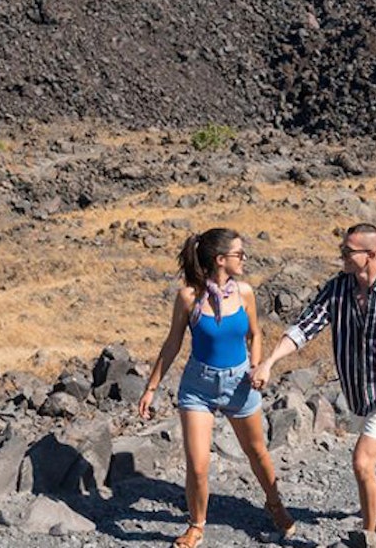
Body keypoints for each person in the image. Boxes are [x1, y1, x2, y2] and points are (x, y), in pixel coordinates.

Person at [251, 223, 376, 533]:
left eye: (347, 251)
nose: (341, 255)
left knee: (362, 462)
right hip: (356, 390)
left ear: (371, 254)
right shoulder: (337, 288)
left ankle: (368, 537)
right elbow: (305, 328)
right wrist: (269, 361)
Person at [138, 228, 295, 548]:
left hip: (240, 382)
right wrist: (151, 388)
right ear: (221, 260)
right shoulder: (188, 298)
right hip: (198, 387)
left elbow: (255, 333)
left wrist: (257, 365)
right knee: (197, 465)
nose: (245, 259)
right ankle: (196, 526)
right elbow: (171, 345)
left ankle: (275, 505)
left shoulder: (246, 292)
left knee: (257, 453)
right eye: (239, 254)